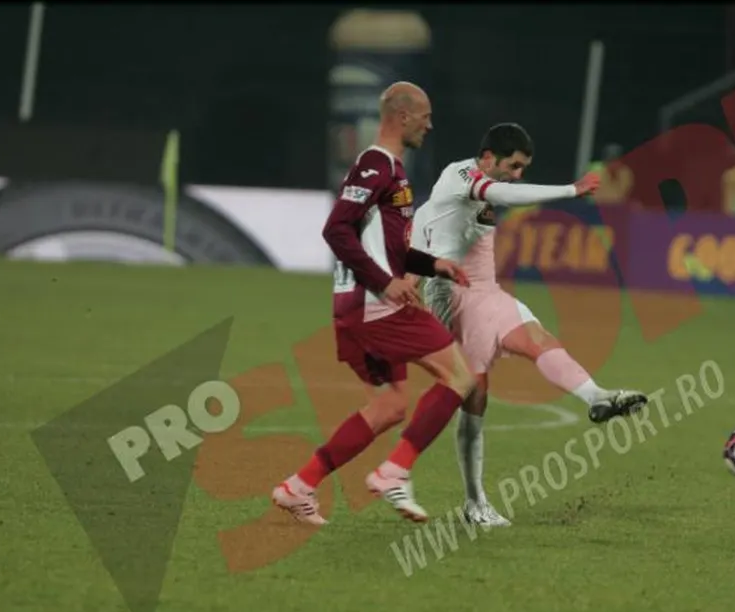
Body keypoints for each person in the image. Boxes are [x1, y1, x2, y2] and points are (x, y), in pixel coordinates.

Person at [409, 123, 649, 528]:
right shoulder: (460, 175)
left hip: (486, 291)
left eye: (523, 168)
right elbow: (498, 196)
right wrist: (570, 190)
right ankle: (472, 501)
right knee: (475, 396)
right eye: (514, 166)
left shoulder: (461, 194)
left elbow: (429, 225)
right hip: (453, 296)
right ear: (489, 157)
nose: (518, 175)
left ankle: (597, 397)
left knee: (536, 339)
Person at [272, 82, 477, 526]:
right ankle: (394, 471)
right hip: (375, 306)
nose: (430, 125)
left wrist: (433, 265)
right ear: (403, 117)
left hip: (362, 306)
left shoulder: (392, 170)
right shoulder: (375, 164)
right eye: (425, 116)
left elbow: (391, 249)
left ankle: (298, 487)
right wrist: (385, 284)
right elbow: (336, 229)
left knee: (391, 406)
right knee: (461, 376)